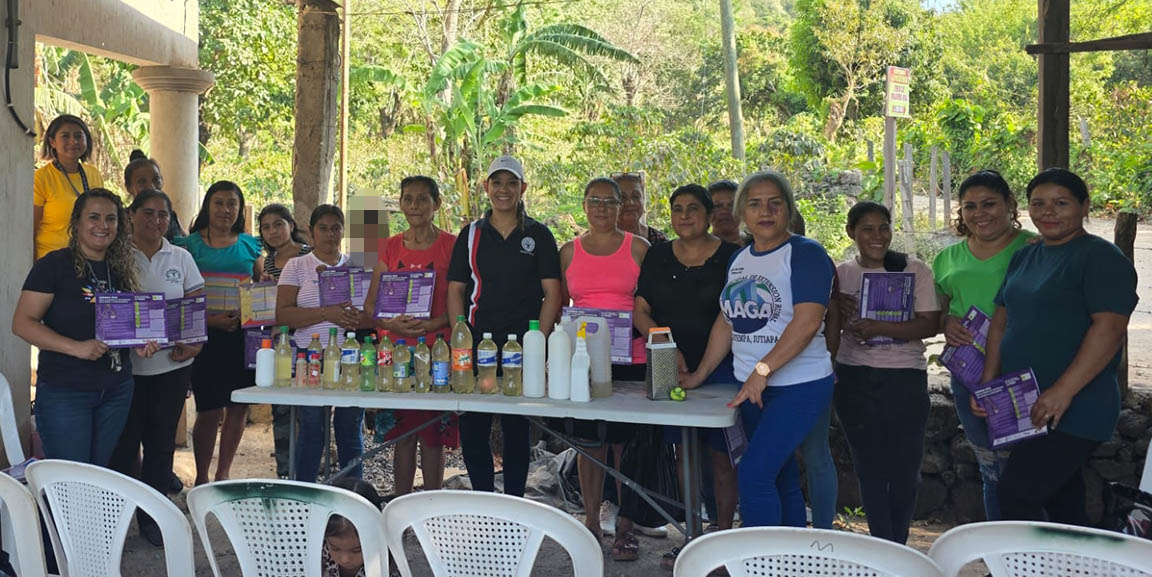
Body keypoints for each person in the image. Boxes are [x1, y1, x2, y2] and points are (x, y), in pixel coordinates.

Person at [979, 168, 1137, 525]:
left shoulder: (1100, 257)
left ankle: (1024, 558)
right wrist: (989, 383)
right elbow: (1001, 320)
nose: (1048, 212)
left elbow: (1110, 328)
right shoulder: (1026, 256)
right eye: (1038, 204)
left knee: (1016, 494)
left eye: (1061, 203)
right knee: (1063, 503)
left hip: (1076, 404)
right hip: (1026, 402)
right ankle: (1072, 555)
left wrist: (1062, 392)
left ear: (1085, 206)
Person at [688, 171, 836, 528]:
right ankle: (790, 554)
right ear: (742, 212)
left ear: (789, 209)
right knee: (780, 477)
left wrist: (762, 370)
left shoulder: (805, 253)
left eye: (775, 203)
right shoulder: (740, 259)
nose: (765, 211)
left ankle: (758, 555)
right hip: (752, 387)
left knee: (754, 474)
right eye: (754, 204)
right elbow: (728, 321)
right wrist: (699, 374)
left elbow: (807, 321)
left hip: (799, 385)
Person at [636, 184, 740, 566]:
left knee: (722, 457)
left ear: (710, 215)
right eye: (677, 209)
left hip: (722, 368)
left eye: (693, 208)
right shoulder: (658, 255)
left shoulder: (732, 257)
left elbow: (733, 316)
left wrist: (704, 366)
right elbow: (640, 311)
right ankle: (692, 538)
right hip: (671, 366)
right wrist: (666, 345)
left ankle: (724, 541)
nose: (684, 216)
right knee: (684, 453)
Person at [447, 156, 562, 498]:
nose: (504, 190)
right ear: (486, 187)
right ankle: (484, 500)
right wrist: (460, 341)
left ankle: (514, 501)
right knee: (473, 426)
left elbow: (552, 293)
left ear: (523, 188)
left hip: (521, 347)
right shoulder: (471, 234)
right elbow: (455, 291)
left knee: (516, 428)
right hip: (476, 345)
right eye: (497, 182)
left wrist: (537, 344)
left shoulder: (538, 234)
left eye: (512, 183)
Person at [13, 189, 152, 466]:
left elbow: (124, 325)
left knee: (97, 472)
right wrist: (76, 348)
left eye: (111, 218)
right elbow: (22, 323)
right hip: (66, 391)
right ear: (77, 222)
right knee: (72, 477)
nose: (103, 225)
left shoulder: (121, 269)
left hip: (116, 390)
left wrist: (139, 342)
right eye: (94, 217)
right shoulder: (53, 265)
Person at [828, 201, 939, 544]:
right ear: (851, 232)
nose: (877, 236)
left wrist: (879, 326)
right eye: (867, 229)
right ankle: (882, 545)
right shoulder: (840, 274)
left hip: (904, 376)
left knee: (906, 471)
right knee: (868, 468)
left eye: (883, 228)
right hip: (854, 375)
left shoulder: (914, 270)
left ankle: (897, 544)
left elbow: (930, 324)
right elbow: (826, 324)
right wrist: (837, 306)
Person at [931, 170, 1034, 521]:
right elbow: (939, 310)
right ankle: (1000, 547)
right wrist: (946, 323)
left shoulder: (1035, 248)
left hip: (1024, 372)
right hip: (970, 376)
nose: (979, 213)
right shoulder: (947, 258)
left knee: (1033, 471)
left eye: (989, 204)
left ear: (1009, 204)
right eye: (970, 206)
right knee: (992, 471)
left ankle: (1038, 549)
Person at [558, 177, 650, 560]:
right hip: (583, 358)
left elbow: (650, 304)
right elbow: (559, 306)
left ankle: (626, 526)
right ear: (583, 205)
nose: (601, 208)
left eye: (609, 202)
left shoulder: (639, 248)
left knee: (624, 445)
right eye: (594, 201)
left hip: (631, 357)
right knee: (590, 445)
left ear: (620, 206)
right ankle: (592, 522)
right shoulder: (568, 251)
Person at [109, 189, 204, 546]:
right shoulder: (116, 256)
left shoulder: (180, 256)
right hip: (126, 371)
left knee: (161, 445)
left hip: (172, 367)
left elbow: (195, 305)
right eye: (147, 213)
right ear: (131, 215)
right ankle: (117, 523)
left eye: (163, 214)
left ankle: (152, 519)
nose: (156, 220)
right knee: (124, 446)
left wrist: (193, 344)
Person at [366, 175, 458, 495]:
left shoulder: (452, 246)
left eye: (422, 199)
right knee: (402, 436)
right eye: (408, 198)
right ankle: (400, 504)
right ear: (400, 204)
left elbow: (462, 302)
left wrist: (435, 324)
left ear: (437, 204)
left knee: (432, 437)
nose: (415, 205)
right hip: (396, 352)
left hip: (438, 351)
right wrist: (392, 326)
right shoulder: (389, 247)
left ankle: (431, 506)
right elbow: (371, 306)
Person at [175, 181, 264, 485]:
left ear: (239, 209)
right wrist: (212, 321)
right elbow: (180, 296)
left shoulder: (251, 245)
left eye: (232, 204)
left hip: (241, 339)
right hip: (203, 339)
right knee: (209, 409)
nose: (225, 210)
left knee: (238, 407)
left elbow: (259, 287)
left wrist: (253, 308)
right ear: (207, 206)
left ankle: (223, 473)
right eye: (219, 203)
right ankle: (202, 477)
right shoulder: (188, 246)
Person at [276, 204, 365, 482]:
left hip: (350, 357)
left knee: (349, 428)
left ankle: (353, 494)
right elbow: (283, 315)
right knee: (312, 428)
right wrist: (327, 314)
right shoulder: (296, 266)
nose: (330, 234)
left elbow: (371, 315)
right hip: (310, 356)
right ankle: (305, 495)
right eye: (323, 228)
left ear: (343, 231)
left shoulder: (357, 267)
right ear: (311, 232)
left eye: (335, 228)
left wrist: (356, 319)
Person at [257, 203, 312, 479]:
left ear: (291, 225)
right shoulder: (268, 262)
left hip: (307, 339)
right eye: (266, 227)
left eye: (278, 224)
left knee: (308, 410)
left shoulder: (308, 255)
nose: (273, 231)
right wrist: (263, 287)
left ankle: (308, 472)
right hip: (278, 343)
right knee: (280, 408)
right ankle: (285, 472)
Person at [34, 114, 105, 260]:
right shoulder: (41, 178)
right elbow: (30, 230)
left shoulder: (94, 174)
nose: (73, 141)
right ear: (52, 142)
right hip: (52, 262)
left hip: (88, 260)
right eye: (65, 136)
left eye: (78, 136)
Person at [322, 478, 391, 577]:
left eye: (357, 550)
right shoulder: (318, 551)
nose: (345, 559)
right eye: (335, 548)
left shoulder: (384, 564)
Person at [123, 150, 184, 239]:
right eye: (142, 182)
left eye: (156, 180)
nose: (151, 187)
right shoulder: (119, 219)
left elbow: (180, 242)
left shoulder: (170, 216)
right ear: (129, 187)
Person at [612, 171, 668, 245]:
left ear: (643, 199)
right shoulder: (600, 240)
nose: (630, 202)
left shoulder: (659, 240)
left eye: (635, 196)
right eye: (623, 197)